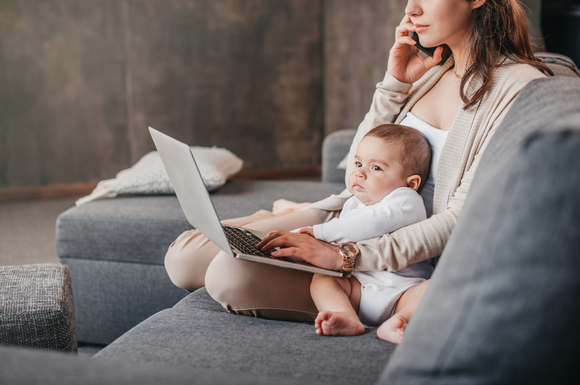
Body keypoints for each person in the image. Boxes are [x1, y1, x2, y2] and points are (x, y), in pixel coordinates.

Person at [164, 0, 553, 331]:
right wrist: (394, 82)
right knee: (182, 259)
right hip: (346, 214)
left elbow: (459, 219)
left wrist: (344, 256)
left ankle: (289, 219)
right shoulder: (432, 70)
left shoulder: (517, 86)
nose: (411, 9)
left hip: (392, 260)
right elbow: (359, 163)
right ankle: (285, 214)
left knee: (226, 275)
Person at [303, 124, 433, 337]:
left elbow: (371, 224)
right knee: (323, 279)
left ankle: (400, 320)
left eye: (376, 168)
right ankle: (344, 314)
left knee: (433, 288)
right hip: (359, 287)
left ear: (411, 184)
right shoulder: (353, 204)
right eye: (358, 163)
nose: (359, 174)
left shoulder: (406, 199)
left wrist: (317, 232)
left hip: (403, 291)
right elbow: (339, 242)